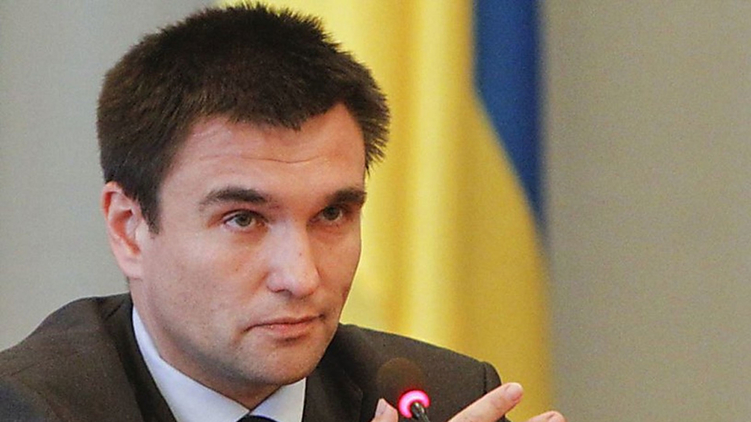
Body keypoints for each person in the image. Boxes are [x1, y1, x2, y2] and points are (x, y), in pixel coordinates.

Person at [0, 4, 565, 422]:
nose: (301, 277)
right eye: (243, 219)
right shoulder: (29, 407)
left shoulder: (440, 400)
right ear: (129, 229)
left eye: (332, 214)